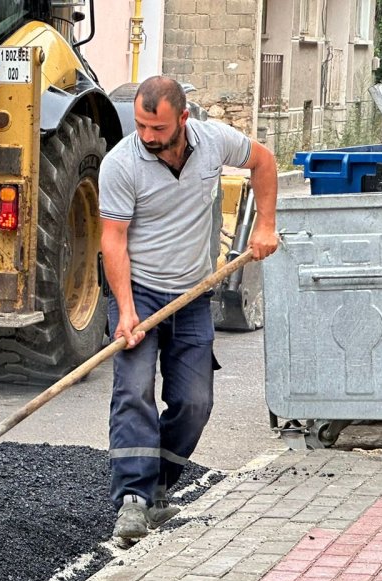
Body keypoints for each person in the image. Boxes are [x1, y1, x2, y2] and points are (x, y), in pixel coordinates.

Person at [99, 76, 278, 541]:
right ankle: (132, 500)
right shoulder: (122, 164)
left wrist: (266, 225)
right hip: (139, 293)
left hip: (195, 294)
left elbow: (263, 161)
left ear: (183, 119)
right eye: (141, 125)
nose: (148, 136)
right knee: (134, 390)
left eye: (157, 128)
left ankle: (159, 487)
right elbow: (112, 240)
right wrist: (124, 309)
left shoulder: (214, 141)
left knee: (195, 403)